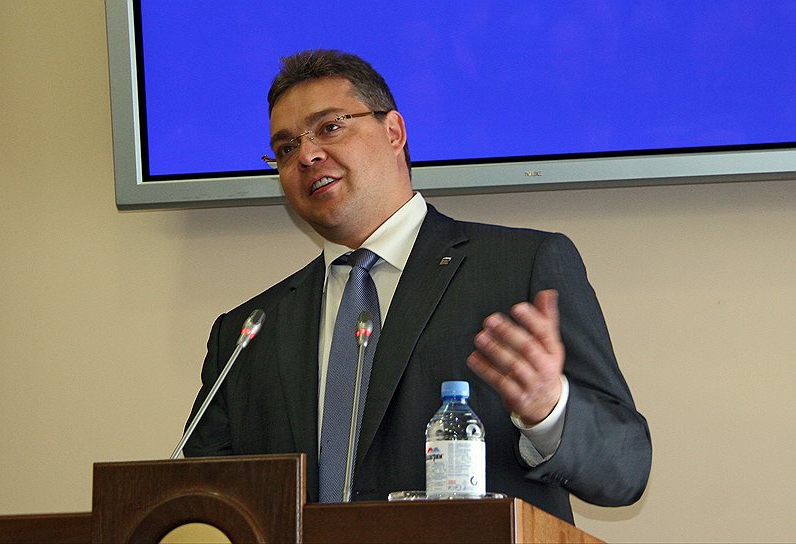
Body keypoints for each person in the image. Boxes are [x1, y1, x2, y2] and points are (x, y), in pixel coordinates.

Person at [183, 49, 651, 524]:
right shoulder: (247, 333)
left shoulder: (520, 267)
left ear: (393, 132)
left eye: (330, 127)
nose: (307, 155)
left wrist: (549, 412)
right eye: (285, 149)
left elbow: (626, 469)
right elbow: (202, 501)